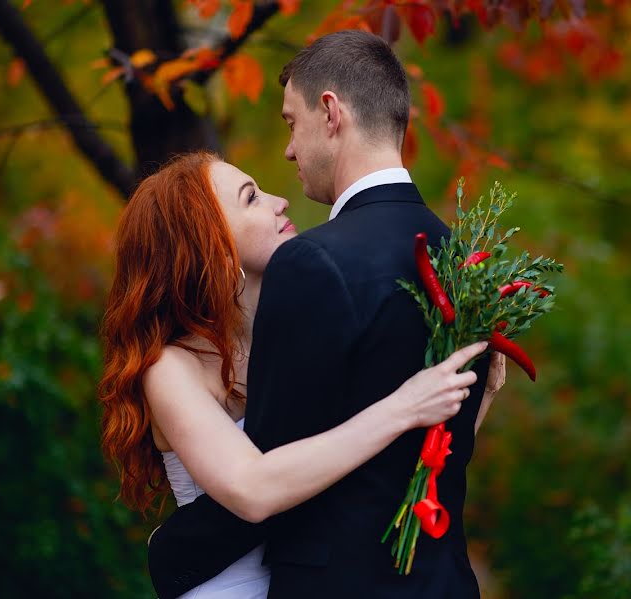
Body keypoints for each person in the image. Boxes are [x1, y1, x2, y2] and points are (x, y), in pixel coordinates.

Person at [147, 30, 500, 598]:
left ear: (330, 112)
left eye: (290, 122)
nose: (287, 155)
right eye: (251, 197)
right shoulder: (461, 260)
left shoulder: (314, 265)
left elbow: (280, 468)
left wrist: (171, 553)